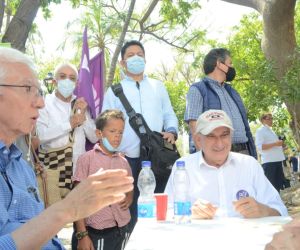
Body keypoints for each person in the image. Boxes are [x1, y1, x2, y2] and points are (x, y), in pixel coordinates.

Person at [0, 47, 133, 250]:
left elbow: (92, 135)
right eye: (28, 89)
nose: (39, 102)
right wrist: (66, 210)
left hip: (79, 171)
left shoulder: (20, 169)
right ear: (54, 80)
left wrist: (83, 114)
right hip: (54, 173)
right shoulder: (49, 107)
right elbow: (38, 139)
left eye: (38, 92)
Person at [102, 40, 178, 231]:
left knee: (159, 209)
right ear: (122, 62)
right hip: (126, 159)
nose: (136, 58)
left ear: (145, 59)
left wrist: (171, 131)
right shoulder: (114, 91)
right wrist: (113, 152)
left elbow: (169, 114)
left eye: (140, 54)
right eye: (130, 55)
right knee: (129, 211)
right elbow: (105, 123)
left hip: (156, 158)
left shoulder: (158, 86)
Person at [165, 109, 287, 219]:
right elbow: (166, 210)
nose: (220, 144)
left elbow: (281, 211)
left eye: (224, 135)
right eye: (211, 136)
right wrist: (189, 212)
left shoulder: (249, 164)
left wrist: (264, 210)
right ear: (198, 140)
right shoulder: (183, 167)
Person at [72, 110, 133, 250]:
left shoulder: (123, 162)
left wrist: (129, 198)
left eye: (121, 132)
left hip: (121, 228)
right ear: (99, 133)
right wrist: (82, 235)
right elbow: (76, 199)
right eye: (112, 131)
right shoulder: (86, 159)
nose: (117, 136)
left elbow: (130, 186)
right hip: (95, 232)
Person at [184, 48, 256, 158]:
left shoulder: (232, 92)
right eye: (230, 63)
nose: (232, 67)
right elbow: (195, 128)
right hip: (218, 155)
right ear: (219, 64)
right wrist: (207, 159)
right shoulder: (198, 89)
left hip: (243, 153)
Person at [37, 62, 98, 173]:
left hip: (80, 171)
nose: (67, 81)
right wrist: (69, 125)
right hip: (53, 170)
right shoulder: (44, 103)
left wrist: (84, 117)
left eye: (72, 78)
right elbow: (40, 136)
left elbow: (94, 138)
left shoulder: (80, 103)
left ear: (76, 84)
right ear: (55, 82)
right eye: (63, 76)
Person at [255, 113, 286, 192]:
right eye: (269, 119)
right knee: (272, 187)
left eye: (272, 118)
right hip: (269, 162)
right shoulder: (260, 131)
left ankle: (278, 203)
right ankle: (272, 204)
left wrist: (281, 145)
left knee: (278, 185)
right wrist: (276, 144)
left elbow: (274, 146)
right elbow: (259, 147)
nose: (271, 120)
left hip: (277, 160)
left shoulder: (271, 131)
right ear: (263, 120)